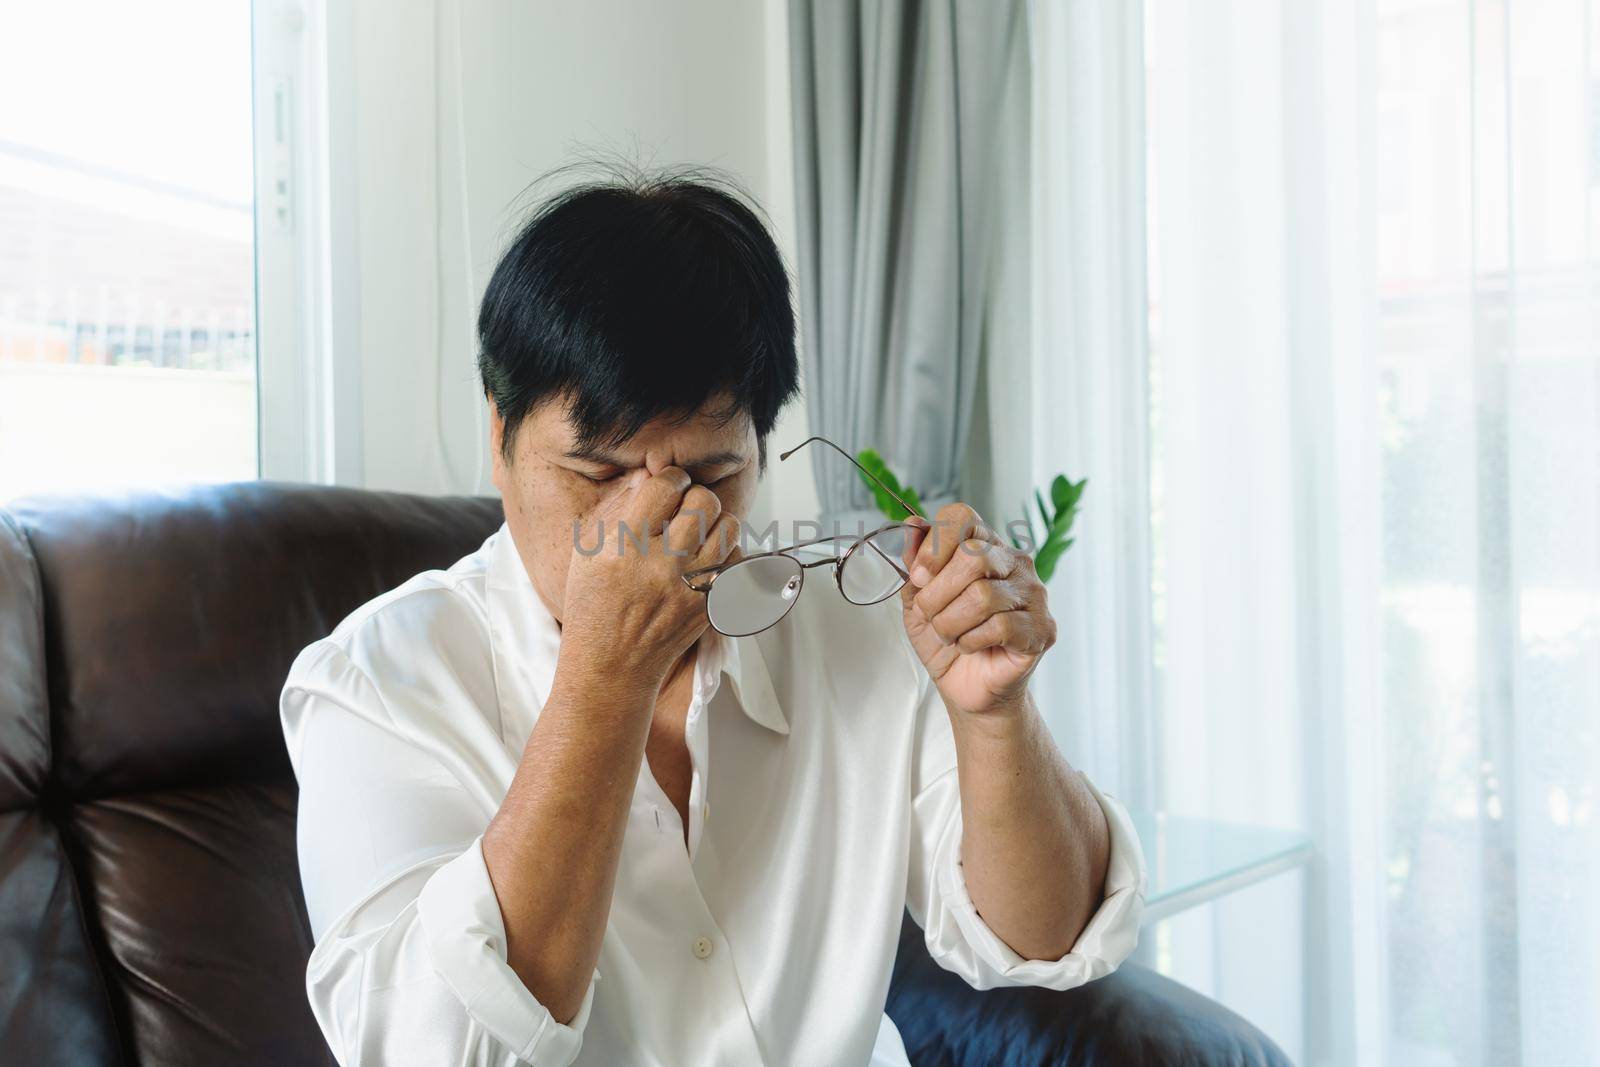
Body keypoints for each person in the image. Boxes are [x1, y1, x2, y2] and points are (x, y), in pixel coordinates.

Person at [280, 167, 1146, 1067]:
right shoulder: (375, 684)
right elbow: (430, 1051)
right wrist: (607, 675)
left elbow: (1046, 938)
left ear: (762, 448)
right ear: (499, 436)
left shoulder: (856, 617)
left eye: (712, 476)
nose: (663, 524)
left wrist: (994, 716)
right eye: (600, 475)